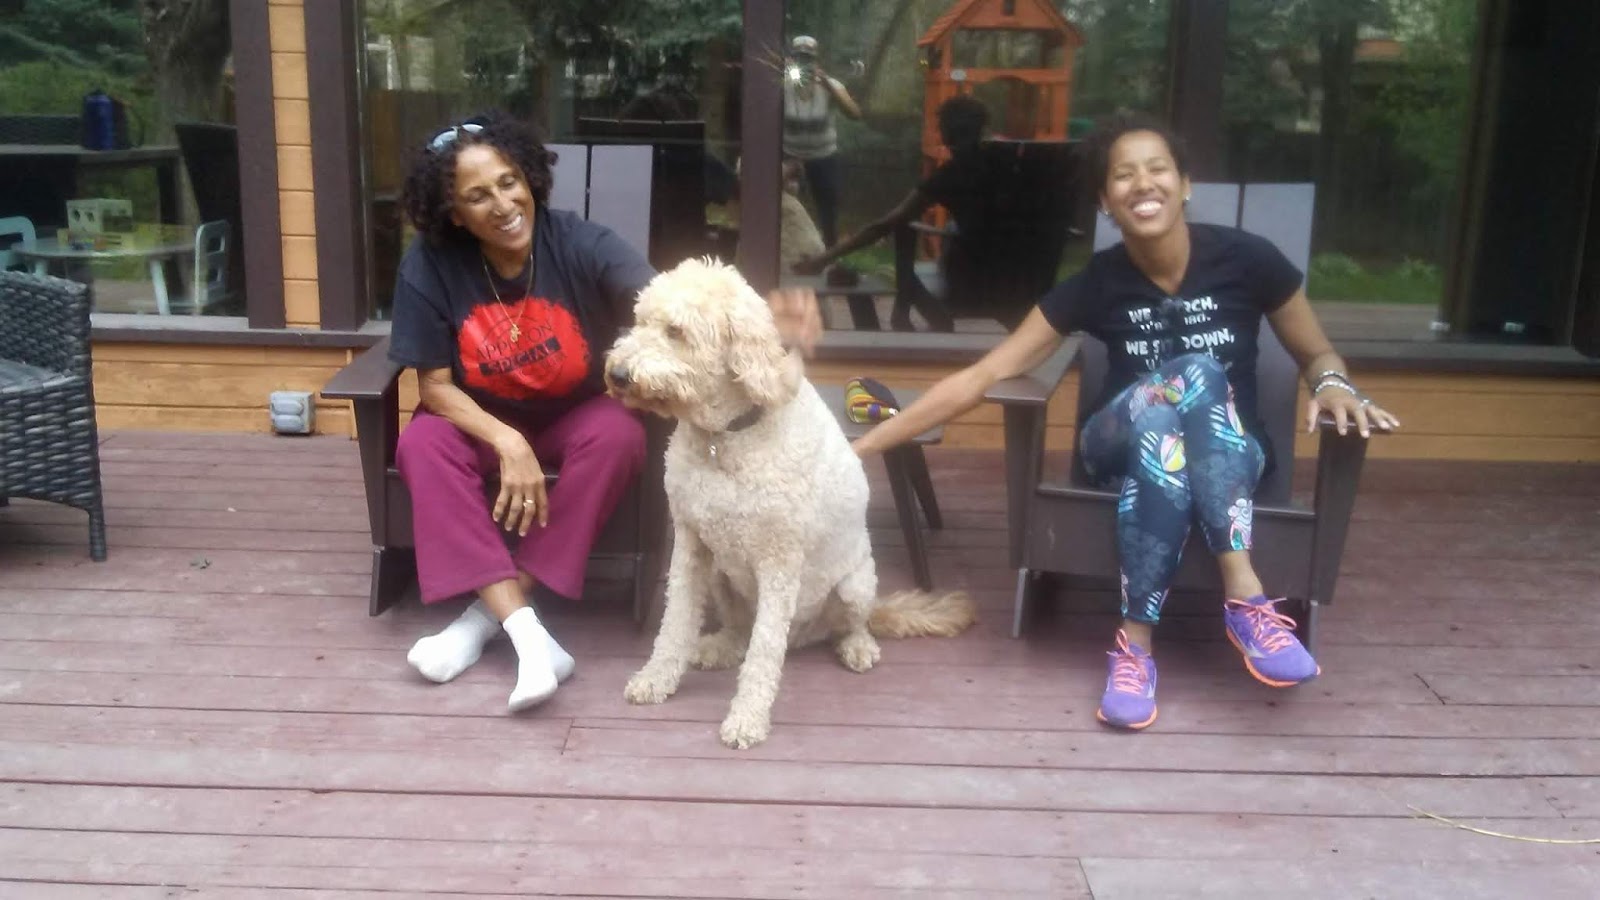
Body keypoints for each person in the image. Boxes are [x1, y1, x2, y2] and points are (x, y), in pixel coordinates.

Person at [849, 111, 1401, 731]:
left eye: (1157, 169)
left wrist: (1333, 384)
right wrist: (860, 449)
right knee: (1191, 374)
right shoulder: (1097, 283)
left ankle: (1134, 648)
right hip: (1112, 446)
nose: (1143, 184)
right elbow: (984, 375)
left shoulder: (1249, 260)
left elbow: (1318, 353)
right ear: (1105, 202)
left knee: (1163, 438)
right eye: (1123, 175)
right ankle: (1246, 597)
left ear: (1184, 184)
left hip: (1228, 456)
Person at [387, 112, 821, 713]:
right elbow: (434, 386)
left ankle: (481, 622)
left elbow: (670, 300)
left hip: (575, 417)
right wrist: (508, 440)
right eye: (478, 196)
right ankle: (530, 636)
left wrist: (759, 320)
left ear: (529, 178)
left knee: (619, 433)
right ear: (455, 213)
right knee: (420, 443)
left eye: (509, 182)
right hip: (483, 423)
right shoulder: (430, 264)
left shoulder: (580, 243)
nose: (503, 204)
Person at [794, 94, 995, 331]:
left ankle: (901, 314)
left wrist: (822, 259)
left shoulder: (950, 175)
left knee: (902, 225)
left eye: (940, 128)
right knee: (910, 224)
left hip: (970, 275)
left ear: (947, 133)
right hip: (1011, 270)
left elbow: (883, 226)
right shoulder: (1004, 159)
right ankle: (911, 315)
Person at [782, 34, 861, 248]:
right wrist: (783, 73)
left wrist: (827, 84)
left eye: (808, 59)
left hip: (823, 156)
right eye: (799, 59)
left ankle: (829, 252)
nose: (804, 64)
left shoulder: (830, 85)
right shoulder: (784, 85)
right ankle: (790, 249)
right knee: (786, 205)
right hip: (790, 154)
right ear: (792, 60)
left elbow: (855, 113)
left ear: (816, 61)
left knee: (828, 208)